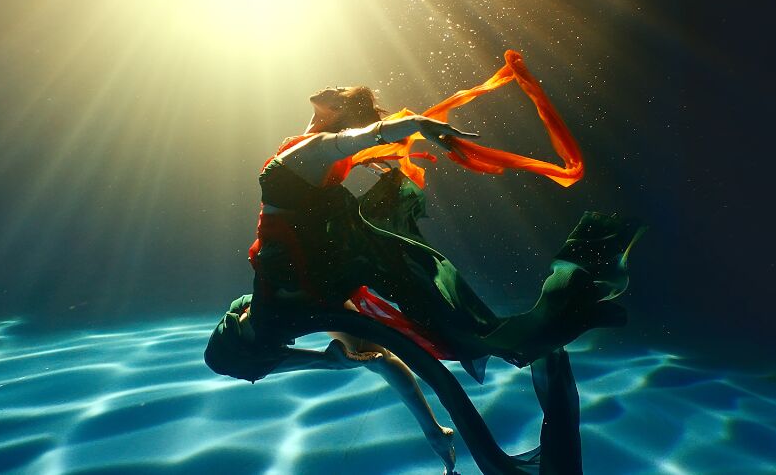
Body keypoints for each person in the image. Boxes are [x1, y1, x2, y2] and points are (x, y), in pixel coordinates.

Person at [205, 83, 642, 474]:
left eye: (338, 91)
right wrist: (433, 428)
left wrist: (414, 124)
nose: (330, 86)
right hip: (315, 282)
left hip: (296, 285)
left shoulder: (316, 150)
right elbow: (349, 138)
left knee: (225, 355)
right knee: (371, 355)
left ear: (337, 110)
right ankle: (431, 426)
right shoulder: (312, 148)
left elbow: (356, 137)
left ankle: (337, 366)